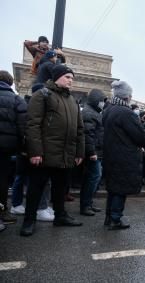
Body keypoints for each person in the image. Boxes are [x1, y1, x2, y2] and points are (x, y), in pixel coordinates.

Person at [20, 65, 85, 237]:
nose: (70, 80)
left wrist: (79, 152)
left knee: (60, 189)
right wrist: (35, 152)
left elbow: (79, 129)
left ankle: (60, 216)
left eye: (72, 78)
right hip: (44, 154)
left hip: (65, 155)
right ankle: (29, 220)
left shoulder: (72, 101)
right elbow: (33, 125)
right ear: (56, 77)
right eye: (67, 77)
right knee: (36, 189)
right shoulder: (42, 95)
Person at [103, 80, 145, 230]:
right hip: (124, 156)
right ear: (127, 97)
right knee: (120, 189)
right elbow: (141, 137)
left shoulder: (108, 109)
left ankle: (109, 217)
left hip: (111, 154)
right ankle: (116, 219)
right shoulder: (126, 113)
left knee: (113, 188)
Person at [10, 84, 54, 222]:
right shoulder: (27, 105)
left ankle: (38, 206)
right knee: (24, 178)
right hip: (27, 150)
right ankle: (19, 205)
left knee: (32, 180)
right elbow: (25, 128)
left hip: (33, 149)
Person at [0, 70, 27, 228]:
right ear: (10, 83)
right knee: (2, 180)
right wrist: (23, 148)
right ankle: (2, 213)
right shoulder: (16, 99)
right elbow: (23, 126)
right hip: (5, 149)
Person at [80, 89, 106, 216]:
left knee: (93, 178)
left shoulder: (94, 112)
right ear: (96, 100)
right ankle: (85, 205)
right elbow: (88, 134)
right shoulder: (89, 113)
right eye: (101, 101)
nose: (103, 103)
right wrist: (92, 152)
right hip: (93, 152)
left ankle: (88, 203)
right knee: (93, 177)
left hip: (97, 151)